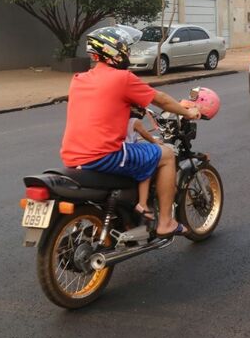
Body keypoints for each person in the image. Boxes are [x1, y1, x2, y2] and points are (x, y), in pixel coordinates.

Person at [60, 27, 200, 238]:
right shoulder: (122, 78)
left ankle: (130, 212)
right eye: (125, 48)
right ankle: (166, 222)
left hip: (73, 155)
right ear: (114, 52)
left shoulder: (79, 79)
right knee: (166, 154)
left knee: (140, 153)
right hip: (105, 156)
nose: (127, 52)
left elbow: (101, 108)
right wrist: (187, 112)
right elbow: (160, 99)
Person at [126, 105, 158, 222]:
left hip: (124, 148)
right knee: (146, 170)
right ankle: (143, 203)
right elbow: (145, 134)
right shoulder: (135, 121)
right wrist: (155, 142)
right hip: (128, 154)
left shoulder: (121, 119)